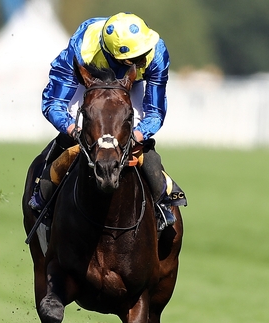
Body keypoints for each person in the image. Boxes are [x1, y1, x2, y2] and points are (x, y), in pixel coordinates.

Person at [30, 12, 185, 231]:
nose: (144, 60)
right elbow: (53, 103)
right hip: (87, 82)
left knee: (135, 139)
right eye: (137, 58)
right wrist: (73, 129)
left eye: (145, 53)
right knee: (75, 136)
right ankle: (43, 196)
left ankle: (163, 200)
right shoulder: (81, 49)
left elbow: (155, 111)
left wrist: (137, 136)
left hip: (131, 85)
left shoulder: (156, 51)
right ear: (115, 56)